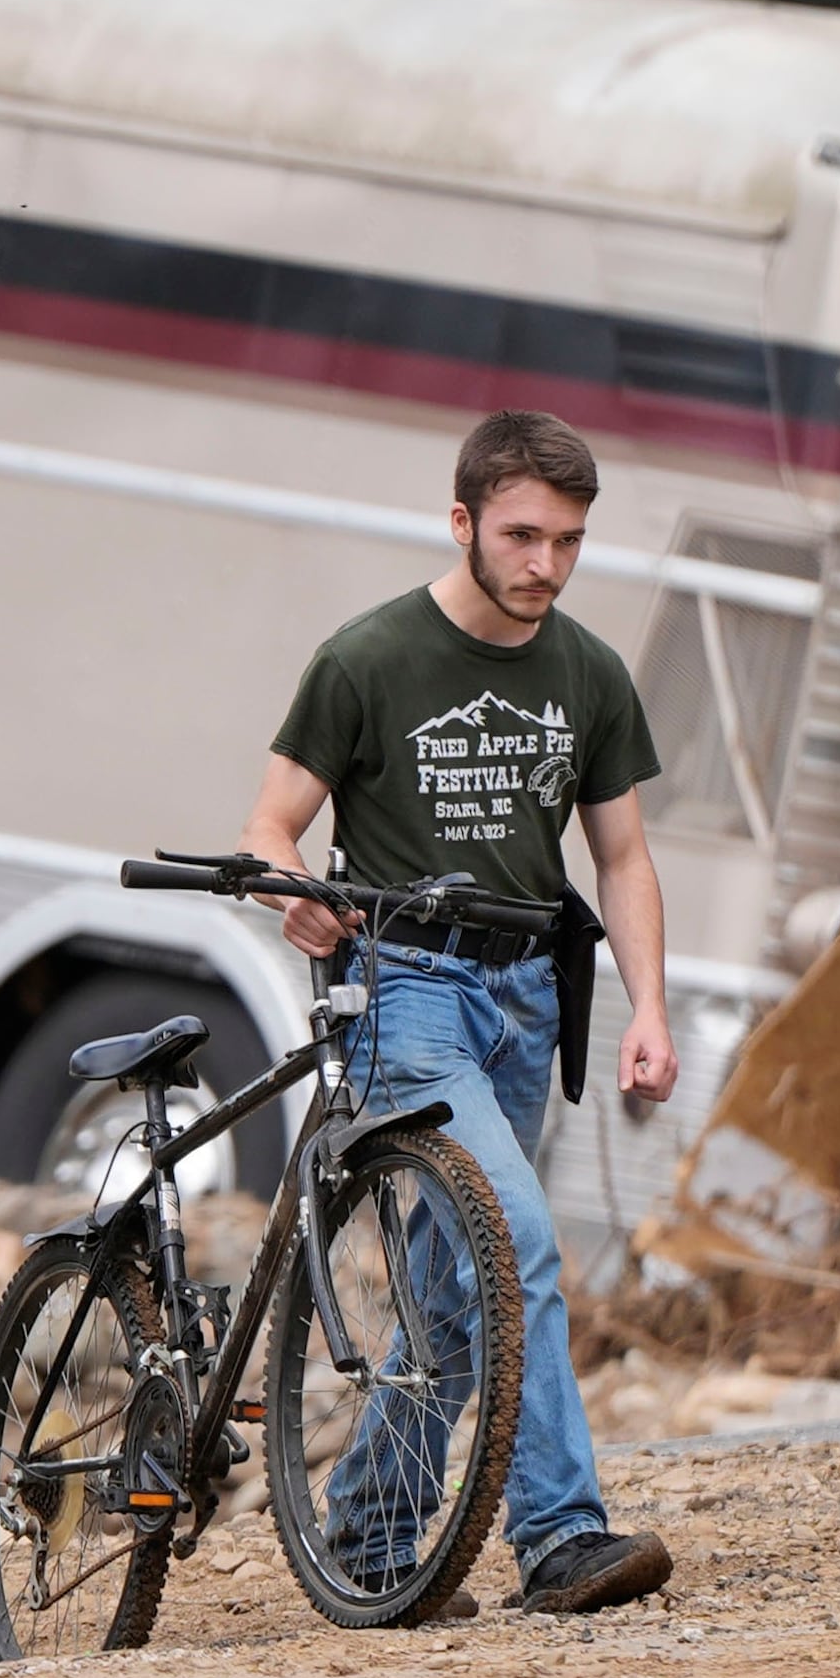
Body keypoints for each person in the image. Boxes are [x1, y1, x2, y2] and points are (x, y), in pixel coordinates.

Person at [240, 408, 679, 1616]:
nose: (545, 565)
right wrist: (295, 894)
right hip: (406, 988)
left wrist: (647, 1007)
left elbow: (623, 857)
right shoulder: (367, 659)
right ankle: (559, 1536)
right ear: (462, 522)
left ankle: (375, 1543)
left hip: (526, 993)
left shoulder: (586, 672)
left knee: (447, 1289)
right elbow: (268, 824)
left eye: (570, 541)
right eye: (523, 535)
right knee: (514, 1236)